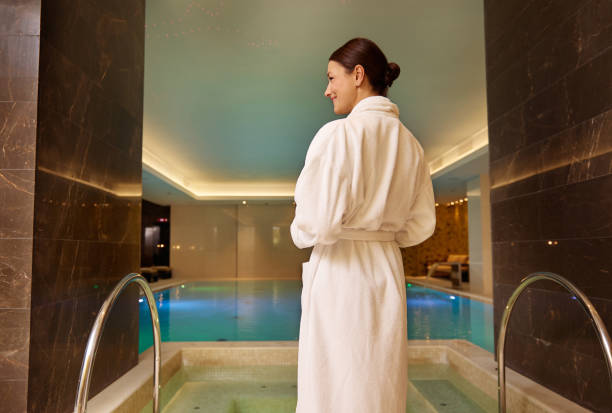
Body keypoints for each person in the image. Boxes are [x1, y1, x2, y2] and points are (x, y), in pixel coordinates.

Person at [290, 37, 436, 413]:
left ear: (358, 75)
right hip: (387, 270)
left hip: (342, 271)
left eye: (331, 78)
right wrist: (382, 235)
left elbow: (316, 224)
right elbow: (421, 226)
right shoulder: (412, 146)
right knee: (379, 383)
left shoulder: (338, 136)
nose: (327, 90)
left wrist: (301, 230)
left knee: (335, 386)